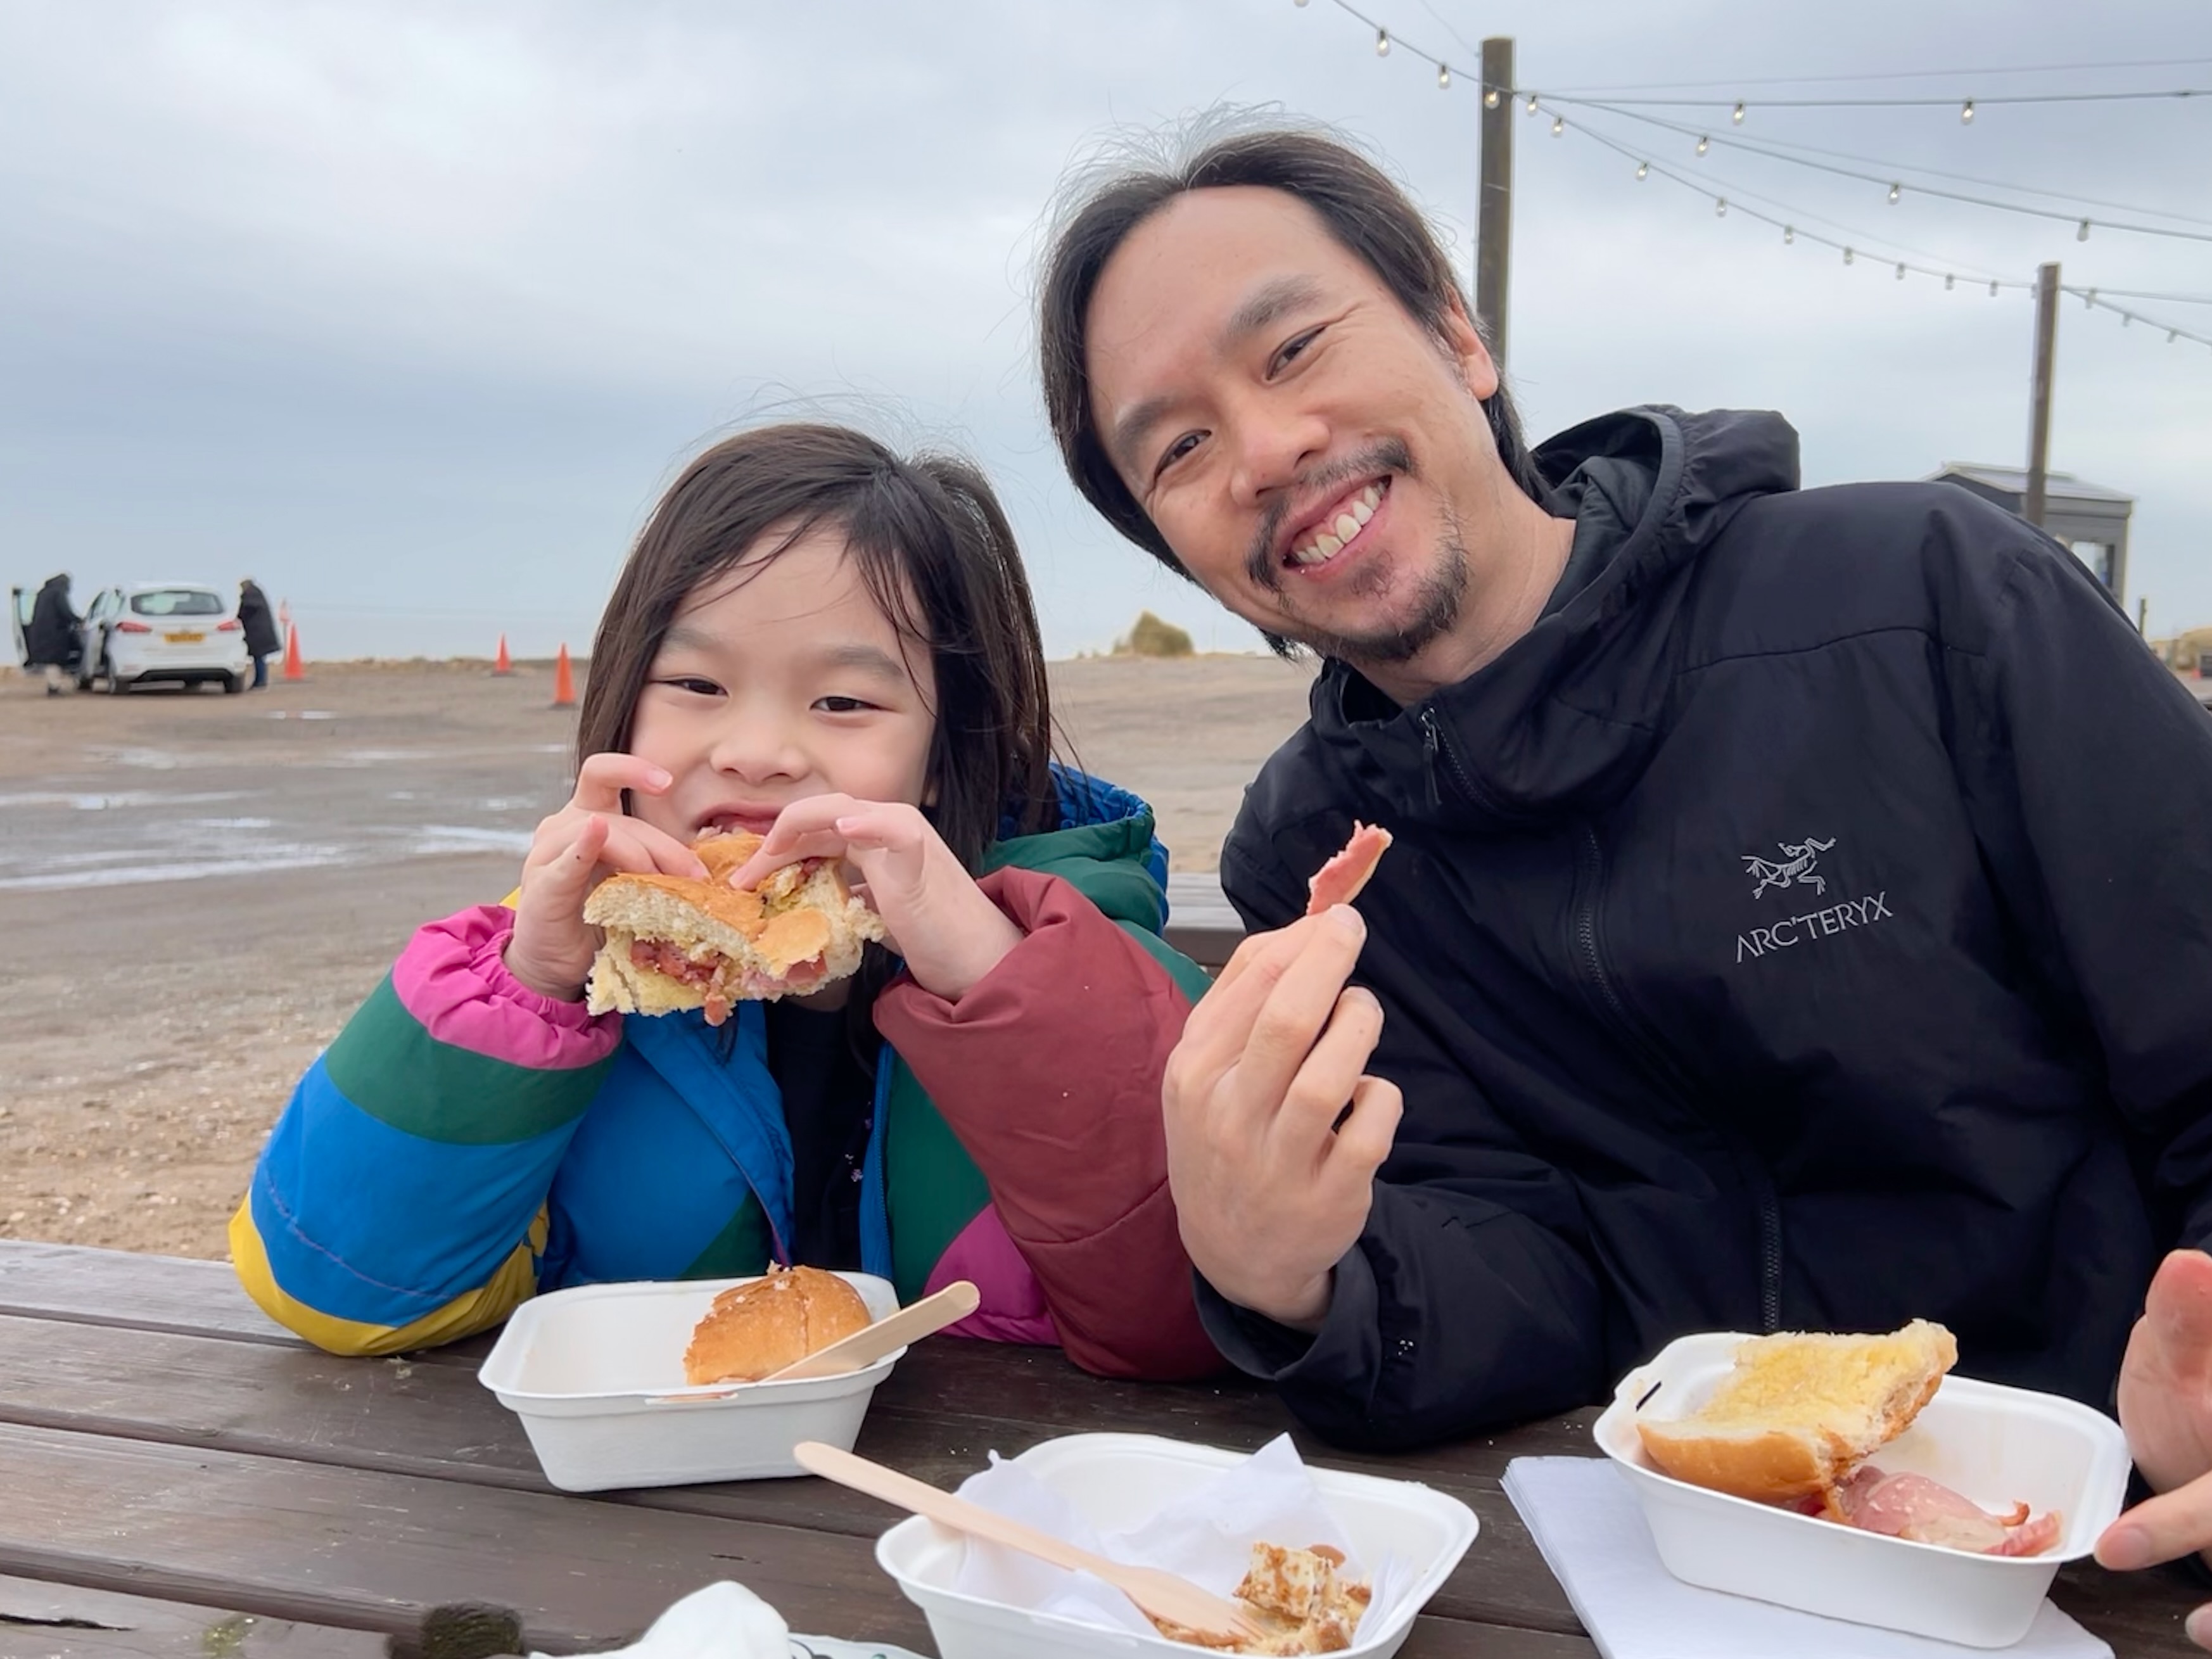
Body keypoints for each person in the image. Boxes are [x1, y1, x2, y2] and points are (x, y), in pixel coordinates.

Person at [1039, 123, 2212, 1623]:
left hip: (2102, 1547)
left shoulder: (1919, 598)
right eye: (1178, 449)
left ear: (1456, 334)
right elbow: (1530, 1273)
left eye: (1288, 350)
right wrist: (1294, 1278)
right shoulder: (1308, 855)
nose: (1262, 452)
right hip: (1688, 1577)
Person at [230, 423, 1221, 1382]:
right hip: (640, 1522)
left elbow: (1191, 1316)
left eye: (843, 702)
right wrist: (527, 979)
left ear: (942, 754)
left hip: (975, 1510)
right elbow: (338, 1293)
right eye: (697, 682)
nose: (756, 749)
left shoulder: (1075, 959)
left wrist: (995, 977)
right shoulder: (556, 983)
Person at [23, 572, 80, 696]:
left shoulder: (43, 593)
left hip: (40, 633)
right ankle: (54, 688)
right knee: (55, 661)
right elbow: (65, 611)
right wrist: (78, 620)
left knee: (50, 662)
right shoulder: (59, 592)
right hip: (55, 634)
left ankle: (53, 686)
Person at [237, 578, 280, 689]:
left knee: (259, 657)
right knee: (260, 658)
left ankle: (260, 681)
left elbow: (245, 611)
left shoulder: (250, 597)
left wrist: (239, 618)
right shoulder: (257, 595)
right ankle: (260, 681)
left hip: (257, 633)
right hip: (261, 632)